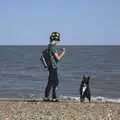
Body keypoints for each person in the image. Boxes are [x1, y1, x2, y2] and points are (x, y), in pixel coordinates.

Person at [43, 32, 65, 102]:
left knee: (50, 82)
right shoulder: (53, 47)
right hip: (53, 67)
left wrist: (58, 53)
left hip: (50, 66)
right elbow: (58, 58)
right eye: (58, 40)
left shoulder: (49, 46)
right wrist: (63, 52)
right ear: (56, 40)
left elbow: (53, 57)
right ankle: (54, 98)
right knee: (56, 82)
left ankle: (46, 97)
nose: (59, 42)